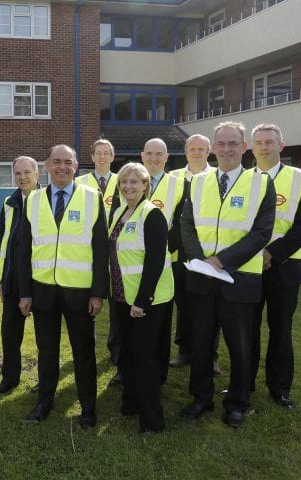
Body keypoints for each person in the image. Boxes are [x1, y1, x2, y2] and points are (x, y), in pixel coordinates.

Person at [180, 121, 276, 428]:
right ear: (212, 147)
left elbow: (262, 233)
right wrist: (202, 261)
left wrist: (222, 260)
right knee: (202, 343)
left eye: (232, 143)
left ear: (244, 147)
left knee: (240, 346)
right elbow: (186, 225)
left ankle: (237, 402)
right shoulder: (197, 182)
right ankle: (200, 398)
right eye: (220, 143)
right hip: (202, 279)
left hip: (240, 280)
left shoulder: (261, 183)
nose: (226, 149)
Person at [17, 144, 108, 429]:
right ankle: (44, 402)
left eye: (68, 162)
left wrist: (97, 292)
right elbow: (23, 250)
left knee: (84, 352)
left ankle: (88, 408)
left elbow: (101, 249)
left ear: (77, 166)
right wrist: (25, 292)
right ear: (46, 165)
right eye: (56, 161)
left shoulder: (93, 198)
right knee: (47, 351)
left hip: (79, 292)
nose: (62, 167)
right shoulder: (32, 200)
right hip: (43, 290)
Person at [250, 123, 301, 409]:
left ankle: (279, 388)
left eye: (269, 142)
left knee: (281, 330)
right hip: (247, 269)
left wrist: (271, 254)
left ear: (281, 146)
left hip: (284, 267)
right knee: (246, 330)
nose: (264, 147)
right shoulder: (242, 179)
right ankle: (244, 383)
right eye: (259, 142)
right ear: (251, 148)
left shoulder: (300, 179)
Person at [108, 162, 174, 433]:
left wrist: (142, 301)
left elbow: (155, 261)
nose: (128, 186)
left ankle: (152, 419)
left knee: (145, 357)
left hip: (147, 300)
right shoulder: (121, 212)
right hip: (122, 297)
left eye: (135, 182)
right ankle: (131, 402)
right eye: (124, 182)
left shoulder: (152, 215)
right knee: (128, 354)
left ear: (146, 185)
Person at [168, 135, 222, 372]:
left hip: (209, 254)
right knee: (183, 303)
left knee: (211, 307)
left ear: (209, 151)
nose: (197, 152)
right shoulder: (173, 178)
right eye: (193, 148)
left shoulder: (219, 177)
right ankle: (184, 351)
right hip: (179, 253)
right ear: (186, 151)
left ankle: (210, 355)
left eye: (202, 148)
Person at [0, 156, 40, 395]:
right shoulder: (9, 202)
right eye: (18, 173)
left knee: (45, 338)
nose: (22, 177)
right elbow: (1, 240)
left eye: (27, 172)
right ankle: (9, 379)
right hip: (11, 280)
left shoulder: (47, 200)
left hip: (40, 280)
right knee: (9, 335)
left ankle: (45, 380)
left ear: (37, 173)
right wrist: (0, 278)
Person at [76, 139, 122, 385]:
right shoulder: (80, 183)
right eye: (98, 153)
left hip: (116, 249)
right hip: (88, 249)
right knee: (87, 300)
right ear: (91, 157)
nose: (103, 157)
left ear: (112, 156)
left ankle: (116, 349)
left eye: (107, 153)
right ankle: (85, 350)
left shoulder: (122, 180)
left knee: (116, 300)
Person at [140, 138, 185, 385]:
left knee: (162, 317)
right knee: (133, 315)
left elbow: (182, 223)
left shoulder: (180, 185)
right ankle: (128, 366)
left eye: (159, 154)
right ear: (142, 155)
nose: (154, 158)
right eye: (150, 153)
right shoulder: (129, 181)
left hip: (169, 261)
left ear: (167, 157)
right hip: (133, 263)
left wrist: (160, 249)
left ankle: (159, 372)